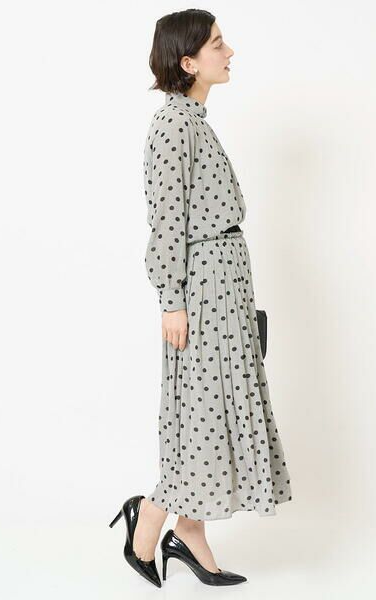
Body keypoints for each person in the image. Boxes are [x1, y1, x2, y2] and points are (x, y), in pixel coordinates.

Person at [109, 9, 292, 587]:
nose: (229, 51)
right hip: (202, 289)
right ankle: (148, 525)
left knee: (215, 411)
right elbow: (166, 221)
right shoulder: (173, 125)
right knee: (201, 416)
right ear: (188, 62)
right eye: (217, 44)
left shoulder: (194, 121)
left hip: (225, 283)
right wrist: (171, 300)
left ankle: (189, 528)